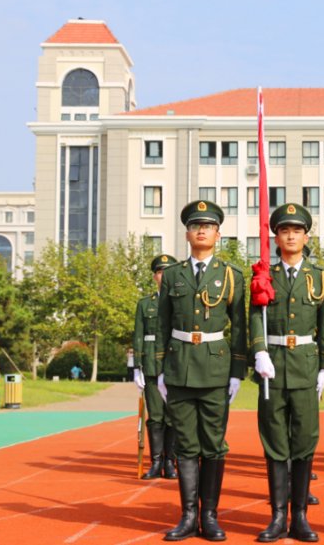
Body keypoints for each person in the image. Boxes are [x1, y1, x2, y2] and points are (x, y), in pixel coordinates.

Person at [157, 200, 247, 542]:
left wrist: (237, 370)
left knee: (213, 445)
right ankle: (187, 515)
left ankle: (209, 515)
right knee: (185, 445)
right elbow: (164, 322)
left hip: (215, 368)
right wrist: (160, 369)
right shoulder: (174, 275)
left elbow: (239, 326)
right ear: (187, 233)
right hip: (179, 366)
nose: (201, 230)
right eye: (196, 225)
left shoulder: (231, 275)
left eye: (208, 226)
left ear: (218, 234)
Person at [249, 203, 324, 543]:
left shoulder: (322, 278)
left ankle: (299, 516)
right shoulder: (262, 275)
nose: (291, 235)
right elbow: (256, 315)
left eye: (296, 230)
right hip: (272, 369)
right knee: (275, 444)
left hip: (305, 368)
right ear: (277, 237)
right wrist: (259, 351)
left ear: (305, 236)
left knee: (304, 443)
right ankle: (277, 516)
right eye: (284, 230)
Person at [133, 254, 179, 480]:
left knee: (172, 417)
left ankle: (170, 462)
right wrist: (137, 368)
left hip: (175, 365)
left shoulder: (180, 302)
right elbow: (139, 336)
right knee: (156, 417)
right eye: (160, 272)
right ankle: (156, 462)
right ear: (155, 277)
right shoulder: (145, 303)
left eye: (168, 271)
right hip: (151, 364)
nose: (164, 275)